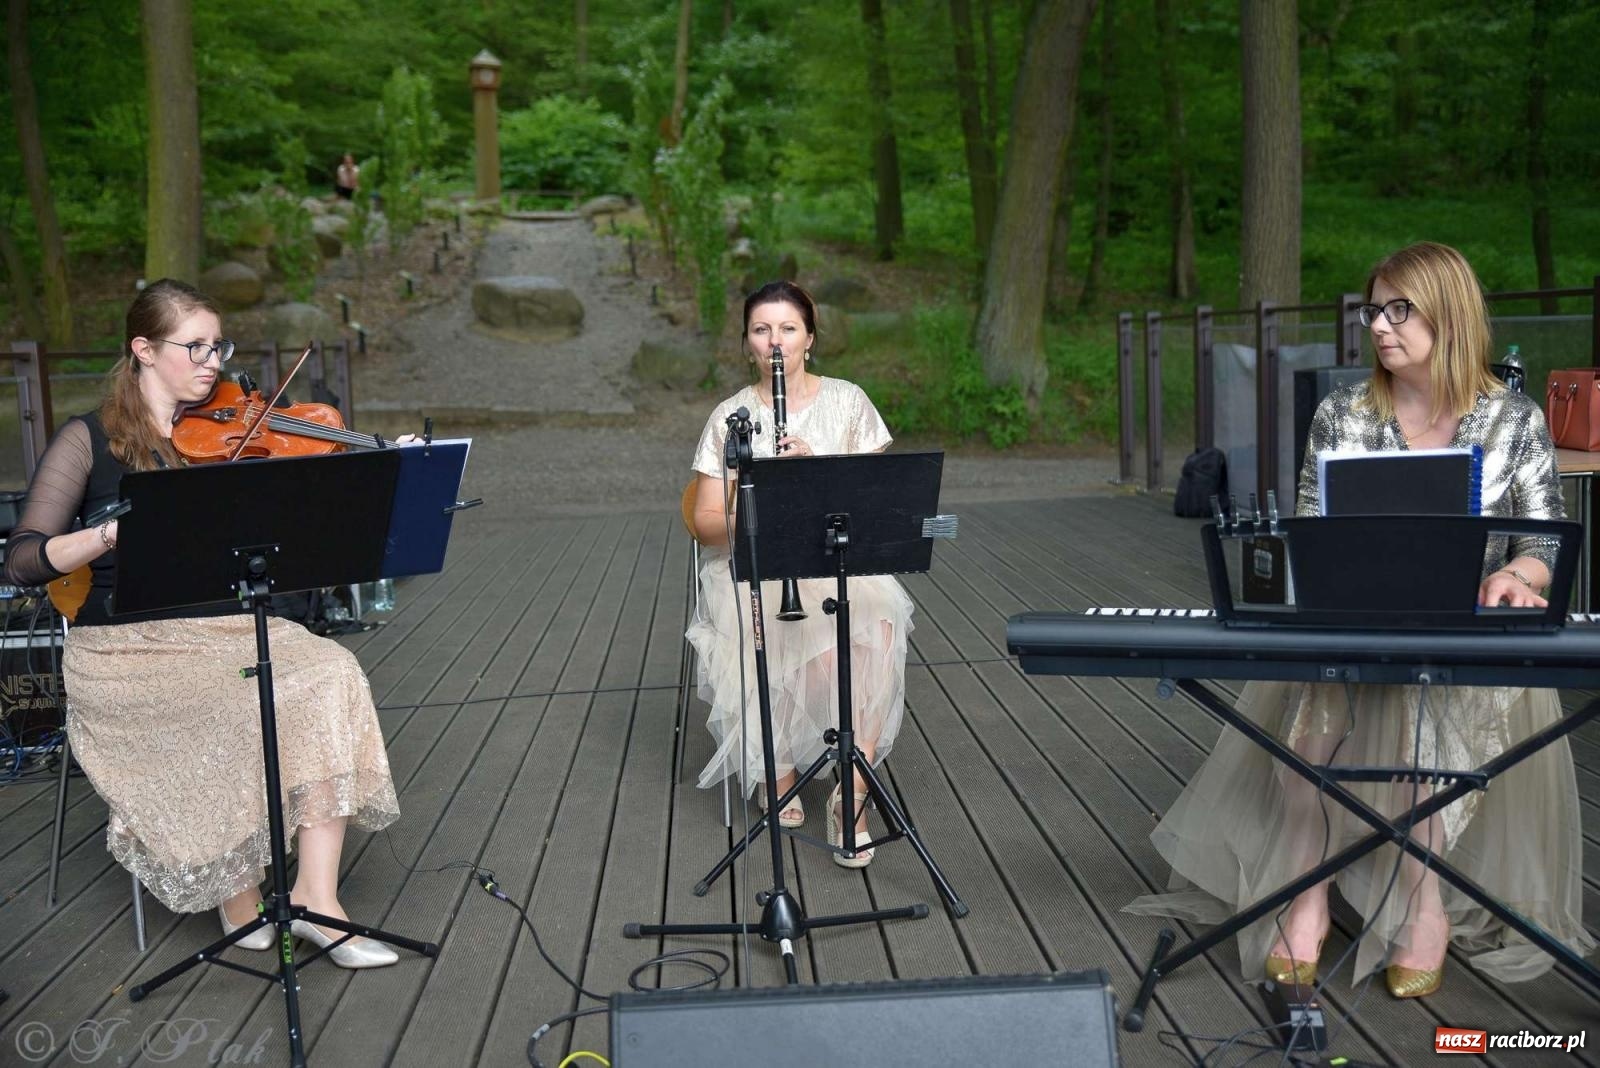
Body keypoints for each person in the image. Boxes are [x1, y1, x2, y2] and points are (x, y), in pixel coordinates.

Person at [1125, 242, 1593, 997]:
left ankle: (1423, 906)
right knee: (1304, 755)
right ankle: (1306, 893)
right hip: (1353, 618)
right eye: (1374, 309)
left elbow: (1543, 538)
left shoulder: (1515, 419)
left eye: (1399, 310)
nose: (1379, 326)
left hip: (1466, 633)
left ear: (1450, 313)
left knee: (1422, 764)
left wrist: (1515, 573)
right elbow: (1312, 527)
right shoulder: (1342, 413)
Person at [4, 279, 401, 968]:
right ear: (144, 349)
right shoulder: (88, 440)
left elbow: (304, 528)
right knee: (236, 701)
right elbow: (23, 561)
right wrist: (105, 537)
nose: (212, 361)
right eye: (195, 346)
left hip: (228, 628)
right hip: (123, 646)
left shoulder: (235, 437)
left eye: (219, 346)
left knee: (331, 672)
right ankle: (236, 892)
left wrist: (379, 465)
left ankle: (316, 898)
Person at [687, 280, 913, 867]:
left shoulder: (849, 401)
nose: (776, 341)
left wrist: (816, 479)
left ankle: (853, 793)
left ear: (809, 337)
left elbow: (875, 504)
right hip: (757, 564)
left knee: (879, 615)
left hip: (834, 556)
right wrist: (753, 494)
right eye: (762, 330)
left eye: (788, 328)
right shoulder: (728, 416)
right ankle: (778, 769)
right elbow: (706, 525)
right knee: (751, 619)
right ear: (747, 344)